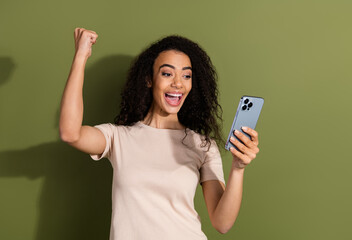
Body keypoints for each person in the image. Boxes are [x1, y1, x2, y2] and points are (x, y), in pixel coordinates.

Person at [59, 28, 260, 240]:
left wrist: (238, 168)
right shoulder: (117, 137)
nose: (178, 83)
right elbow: (70, 133)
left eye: (186, 75)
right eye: (167, 73)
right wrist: (81, 56)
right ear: (149, 79)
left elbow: (222, 223)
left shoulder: (202, 145)